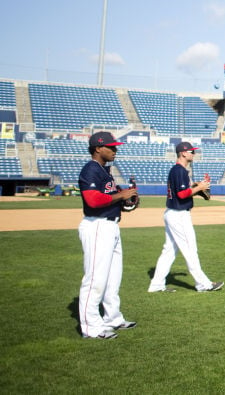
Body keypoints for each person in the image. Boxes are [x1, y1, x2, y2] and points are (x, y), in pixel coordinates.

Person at [77, 132, 139, 339]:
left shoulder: (105, 171)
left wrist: (127, 202)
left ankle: (112, 317)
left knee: (113, 279)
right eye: (111, 147)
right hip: (97, 226)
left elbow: (112, 198)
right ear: (97, 148)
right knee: (95, 279)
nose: (115, 150)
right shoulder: (91, 169)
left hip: (111, 226)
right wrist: (121, 195)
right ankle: (91, 327)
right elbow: (93, 201)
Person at [148, 142, 224, 292]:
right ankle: (204, 284)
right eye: (191, 151)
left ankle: (156, 285)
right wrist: (199, 188)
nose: (193, 154)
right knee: (190, 249)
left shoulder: (178, 170)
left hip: (173, 213)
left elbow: (183, 191)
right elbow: (182, 194)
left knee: (169, 251)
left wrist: (195, 186)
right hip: (179, 215)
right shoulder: (180, 171)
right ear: (183, 153)